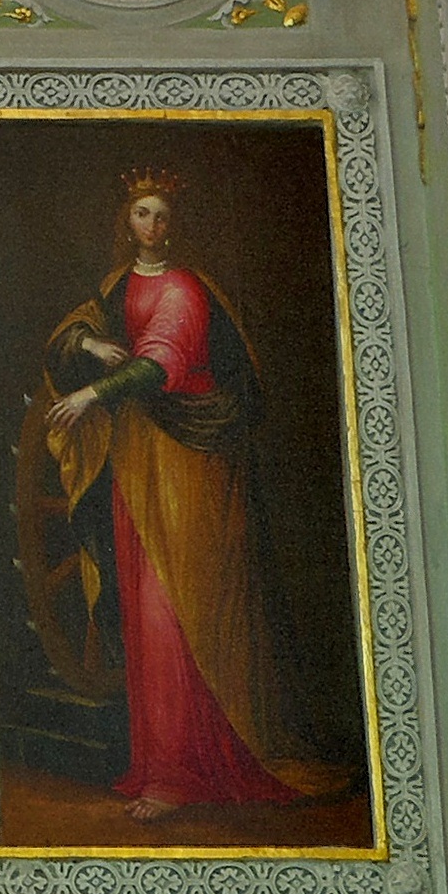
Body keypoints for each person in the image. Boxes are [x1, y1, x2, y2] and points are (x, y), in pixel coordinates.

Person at [38, 171, 347, 816]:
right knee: (144, 609)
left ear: (173, 223)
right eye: (142, 214)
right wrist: (92, 345)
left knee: (176, 610)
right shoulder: (114, 288)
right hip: (137, 457)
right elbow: (72, 335)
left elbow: (161, 365)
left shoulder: (183, 288)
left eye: (162, 215)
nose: (153, 225)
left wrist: (94, 392)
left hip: (189, 459)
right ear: (127, 221)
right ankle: (158, 764)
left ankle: (184, 773)